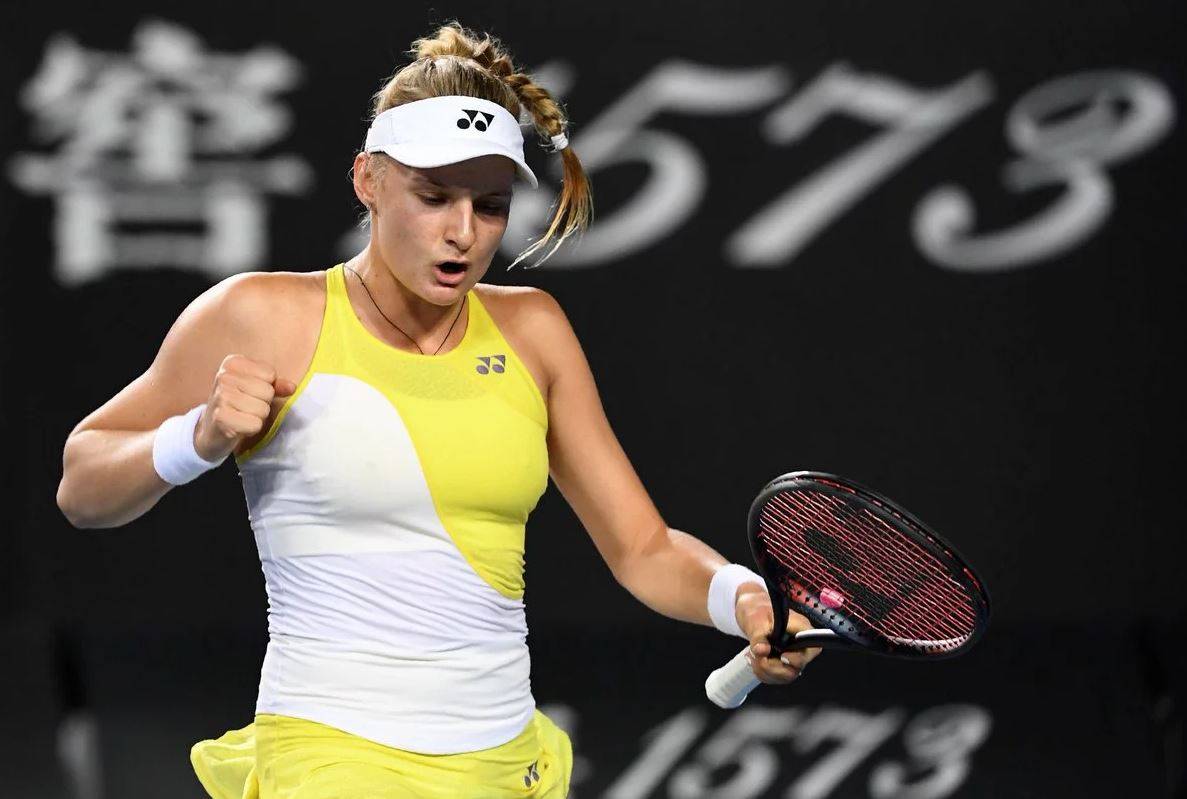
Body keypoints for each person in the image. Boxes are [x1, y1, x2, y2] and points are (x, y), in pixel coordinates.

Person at [55, 21, 821, 798]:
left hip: (504, 759)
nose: (462, 233)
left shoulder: (535, 330)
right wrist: (199, 435)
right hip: (330, 753)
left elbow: (643, 547)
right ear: (367, 180)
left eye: (488, 206)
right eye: (433, 196)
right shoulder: (262, 314)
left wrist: (742, 598)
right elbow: (82, 486)